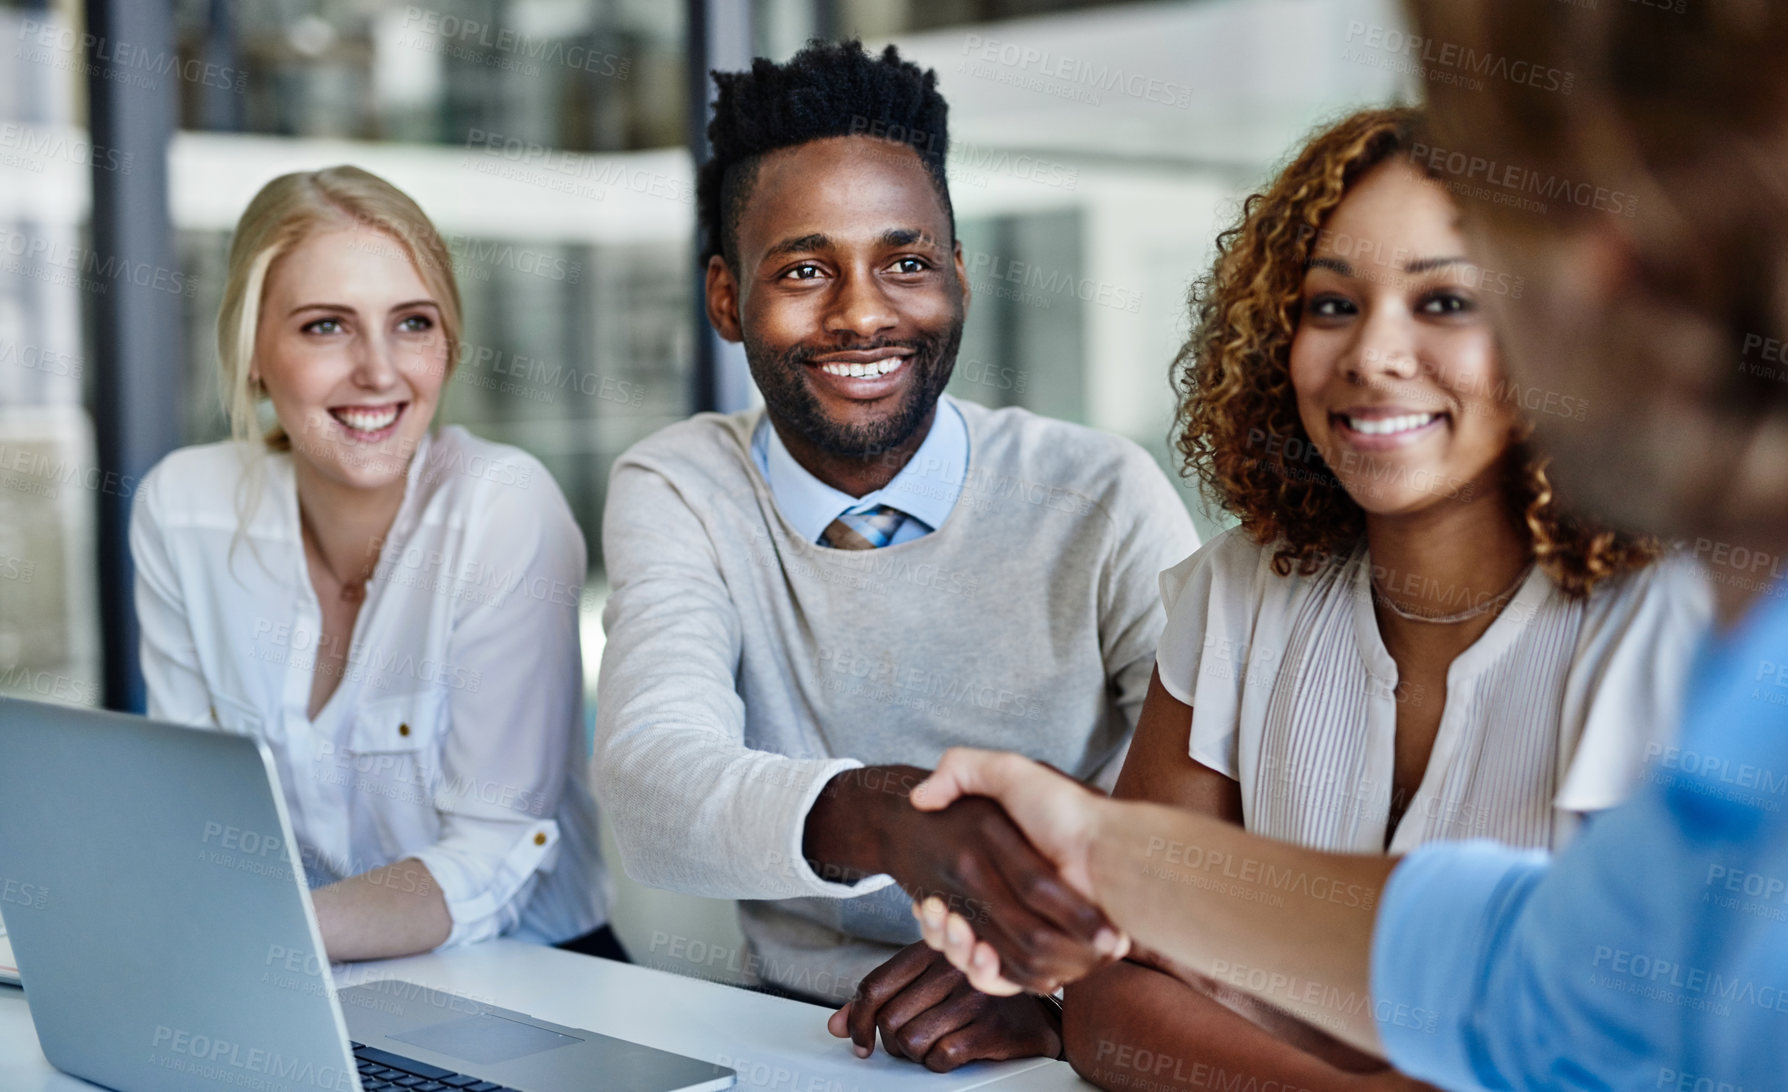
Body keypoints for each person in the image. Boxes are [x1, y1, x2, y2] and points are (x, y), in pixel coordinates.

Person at [906, 2, 1788, 1088]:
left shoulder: (1709, 652)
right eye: (1330, 305)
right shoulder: (1763, 691)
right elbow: (1540, 975)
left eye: (1460, 289)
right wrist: (1097, 855)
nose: (1375, 355)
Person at [1060, 106, 1709, 1092]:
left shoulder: (1664, 625)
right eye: (1329, 306)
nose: (1370, 356)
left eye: (1444, 303)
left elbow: (1636, 1048)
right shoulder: (1237, 588)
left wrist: (1246, 1010)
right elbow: (1111, 994)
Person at [590, 39, 1197, 1068]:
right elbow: (651, 787)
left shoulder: (1098, 496)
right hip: (797, 1037)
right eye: (803, 270)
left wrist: (1047, 983)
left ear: (956, 279)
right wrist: (886, 818)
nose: (863, 312)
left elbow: (1218, 828)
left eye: (905, 263)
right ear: (727, 300)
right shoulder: (681, 488)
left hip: (1077, 1035)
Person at [131, 166, 618, 963]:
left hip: (536, 979)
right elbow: (192, 813)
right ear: (253, 350)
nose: (380, 372)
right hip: (293, 982)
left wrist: (251, 934)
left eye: (412, 324)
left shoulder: (501, 506)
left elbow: (490, 854)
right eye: (326, 326)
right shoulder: (182, 508)